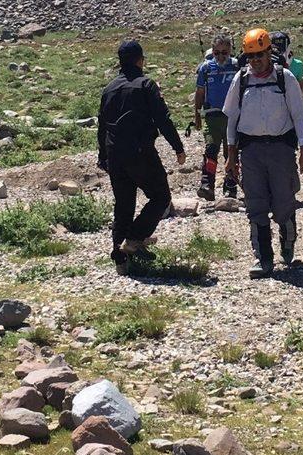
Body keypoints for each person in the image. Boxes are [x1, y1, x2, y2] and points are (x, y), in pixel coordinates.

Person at [223, 28, 303, 279]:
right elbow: (232, 119)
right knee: (256, 204)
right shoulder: (241, 80)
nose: (256, 61)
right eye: (251, 57)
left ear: (269, 52)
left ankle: (288, 241)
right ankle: (263, 258)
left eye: (259, 55)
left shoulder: (285, 78)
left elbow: (298, 116)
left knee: (284, 201)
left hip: (281, 150)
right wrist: (230, 154)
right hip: (250, 151)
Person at [97, 39, 186, 275]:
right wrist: (178, 147)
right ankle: (134, 239)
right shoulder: (146, 84)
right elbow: (162, 119)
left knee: (123, 206)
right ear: (140, 60)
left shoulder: (109, 89)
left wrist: (102, 156)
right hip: (140, 153)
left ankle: (121, 258)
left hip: (115, 154)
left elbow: (102, 126)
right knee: (161, 197)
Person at [194, 33, 238, 201]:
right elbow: (200, 92)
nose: (220, 56)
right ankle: (207, 185)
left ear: (230, 51)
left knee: (231, 151)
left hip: (232, 115)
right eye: (217, 52)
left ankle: (231, 186)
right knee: (211, 148)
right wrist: (197, 114)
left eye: (224, 52)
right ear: (212, 52)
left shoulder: (235, 66)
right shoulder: (205, 68)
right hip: (212, 115)